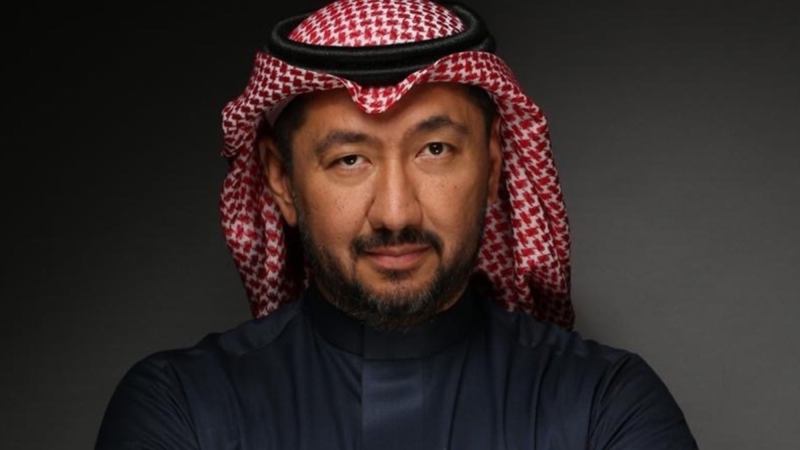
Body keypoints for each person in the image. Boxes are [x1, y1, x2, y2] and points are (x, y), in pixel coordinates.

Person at [96, 1, 698, 448]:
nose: (395, 213)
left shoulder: (604, 403)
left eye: (434, 150)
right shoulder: (181, 406)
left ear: (493, 165)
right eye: (349, 159)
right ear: (281, 180)